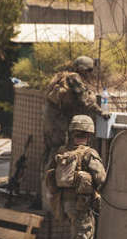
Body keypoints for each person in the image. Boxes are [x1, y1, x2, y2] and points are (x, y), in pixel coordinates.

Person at [44, 115, 106, 239]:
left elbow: (50, 176)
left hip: (65, 205)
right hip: (81, 207)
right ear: (89, 134)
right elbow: (101, 178)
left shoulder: (62, 152)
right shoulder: (88, 153)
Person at [41, 56, 108, 190]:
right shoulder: (74, 78)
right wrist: (101, 113)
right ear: (83, 69)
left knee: (49, 152)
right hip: (57, 123)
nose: (89, 74)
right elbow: (85, 100)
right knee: (58, 151)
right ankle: (53, 189)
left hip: (50, 121)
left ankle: (44, 191)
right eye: (88, 70)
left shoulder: (62, 76)